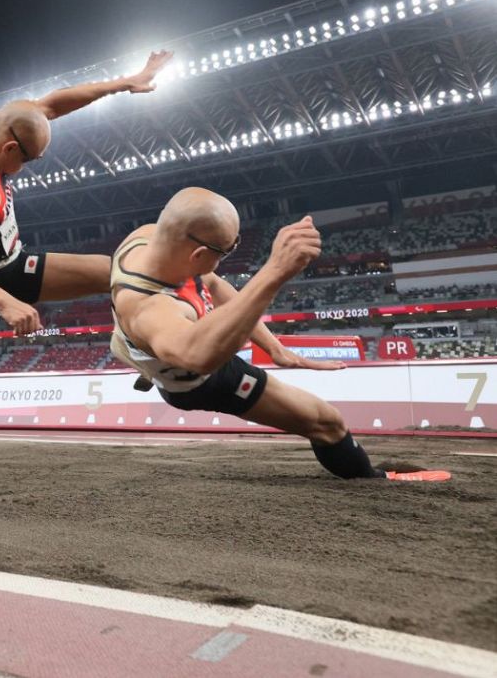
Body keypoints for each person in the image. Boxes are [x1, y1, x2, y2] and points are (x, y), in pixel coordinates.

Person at [109, 187, 450, 481]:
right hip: (200, 382)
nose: (228, 256)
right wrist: (274, 271)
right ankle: (372, 480)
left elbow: (213, 284)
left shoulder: (150, 239)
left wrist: (274, 347)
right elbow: (199, 356)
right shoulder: (153, 310)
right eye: (226, 250)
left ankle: (141, 357)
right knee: (327, 423)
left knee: (174, 325)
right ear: (198, 253)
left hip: (163, 343)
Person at [0, 52, 173, 340]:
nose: (21, 170)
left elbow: (50, 104)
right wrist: (5, 302)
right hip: (4, 275)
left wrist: (126, 82)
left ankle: (142, 339)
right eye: (28, 160)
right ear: (10, 148)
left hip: (11, 252)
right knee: (119, 273)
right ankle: (153, 344)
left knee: (118, 270)